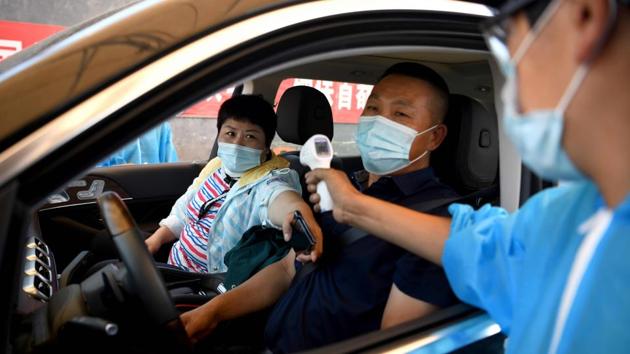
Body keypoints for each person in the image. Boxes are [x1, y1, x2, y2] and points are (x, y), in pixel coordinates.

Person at [304, 1, 630, 353]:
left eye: (505, 37)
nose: (512, 82)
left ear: (584, 15)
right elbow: (476, 245)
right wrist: (349, 205)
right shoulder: (566, 213)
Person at [180, 63, 461, 351]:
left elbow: (394, 343)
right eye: (373, 108)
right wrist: (210, 313)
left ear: (434, 136)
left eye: (400, 113)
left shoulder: (437, 226)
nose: (379, 122)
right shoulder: (341, 186)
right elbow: (287, 270)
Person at [144, 94, 323, 274]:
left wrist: (297, 214)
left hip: (205, 286)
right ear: (219, 135)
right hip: (173, 267)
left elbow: (282, 199)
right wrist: (156, 240)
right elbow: (184, 213)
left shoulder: (270, 181)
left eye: (250, 137)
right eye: (230, 133)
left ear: (265, 147)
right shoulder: (216, 167)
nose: (237, 144)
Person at [96, 121, 178, 166]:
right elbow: (96, 171)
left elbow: (170, 167)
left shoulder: (160, 125)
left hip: (153, 189)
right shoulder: (107, 125)